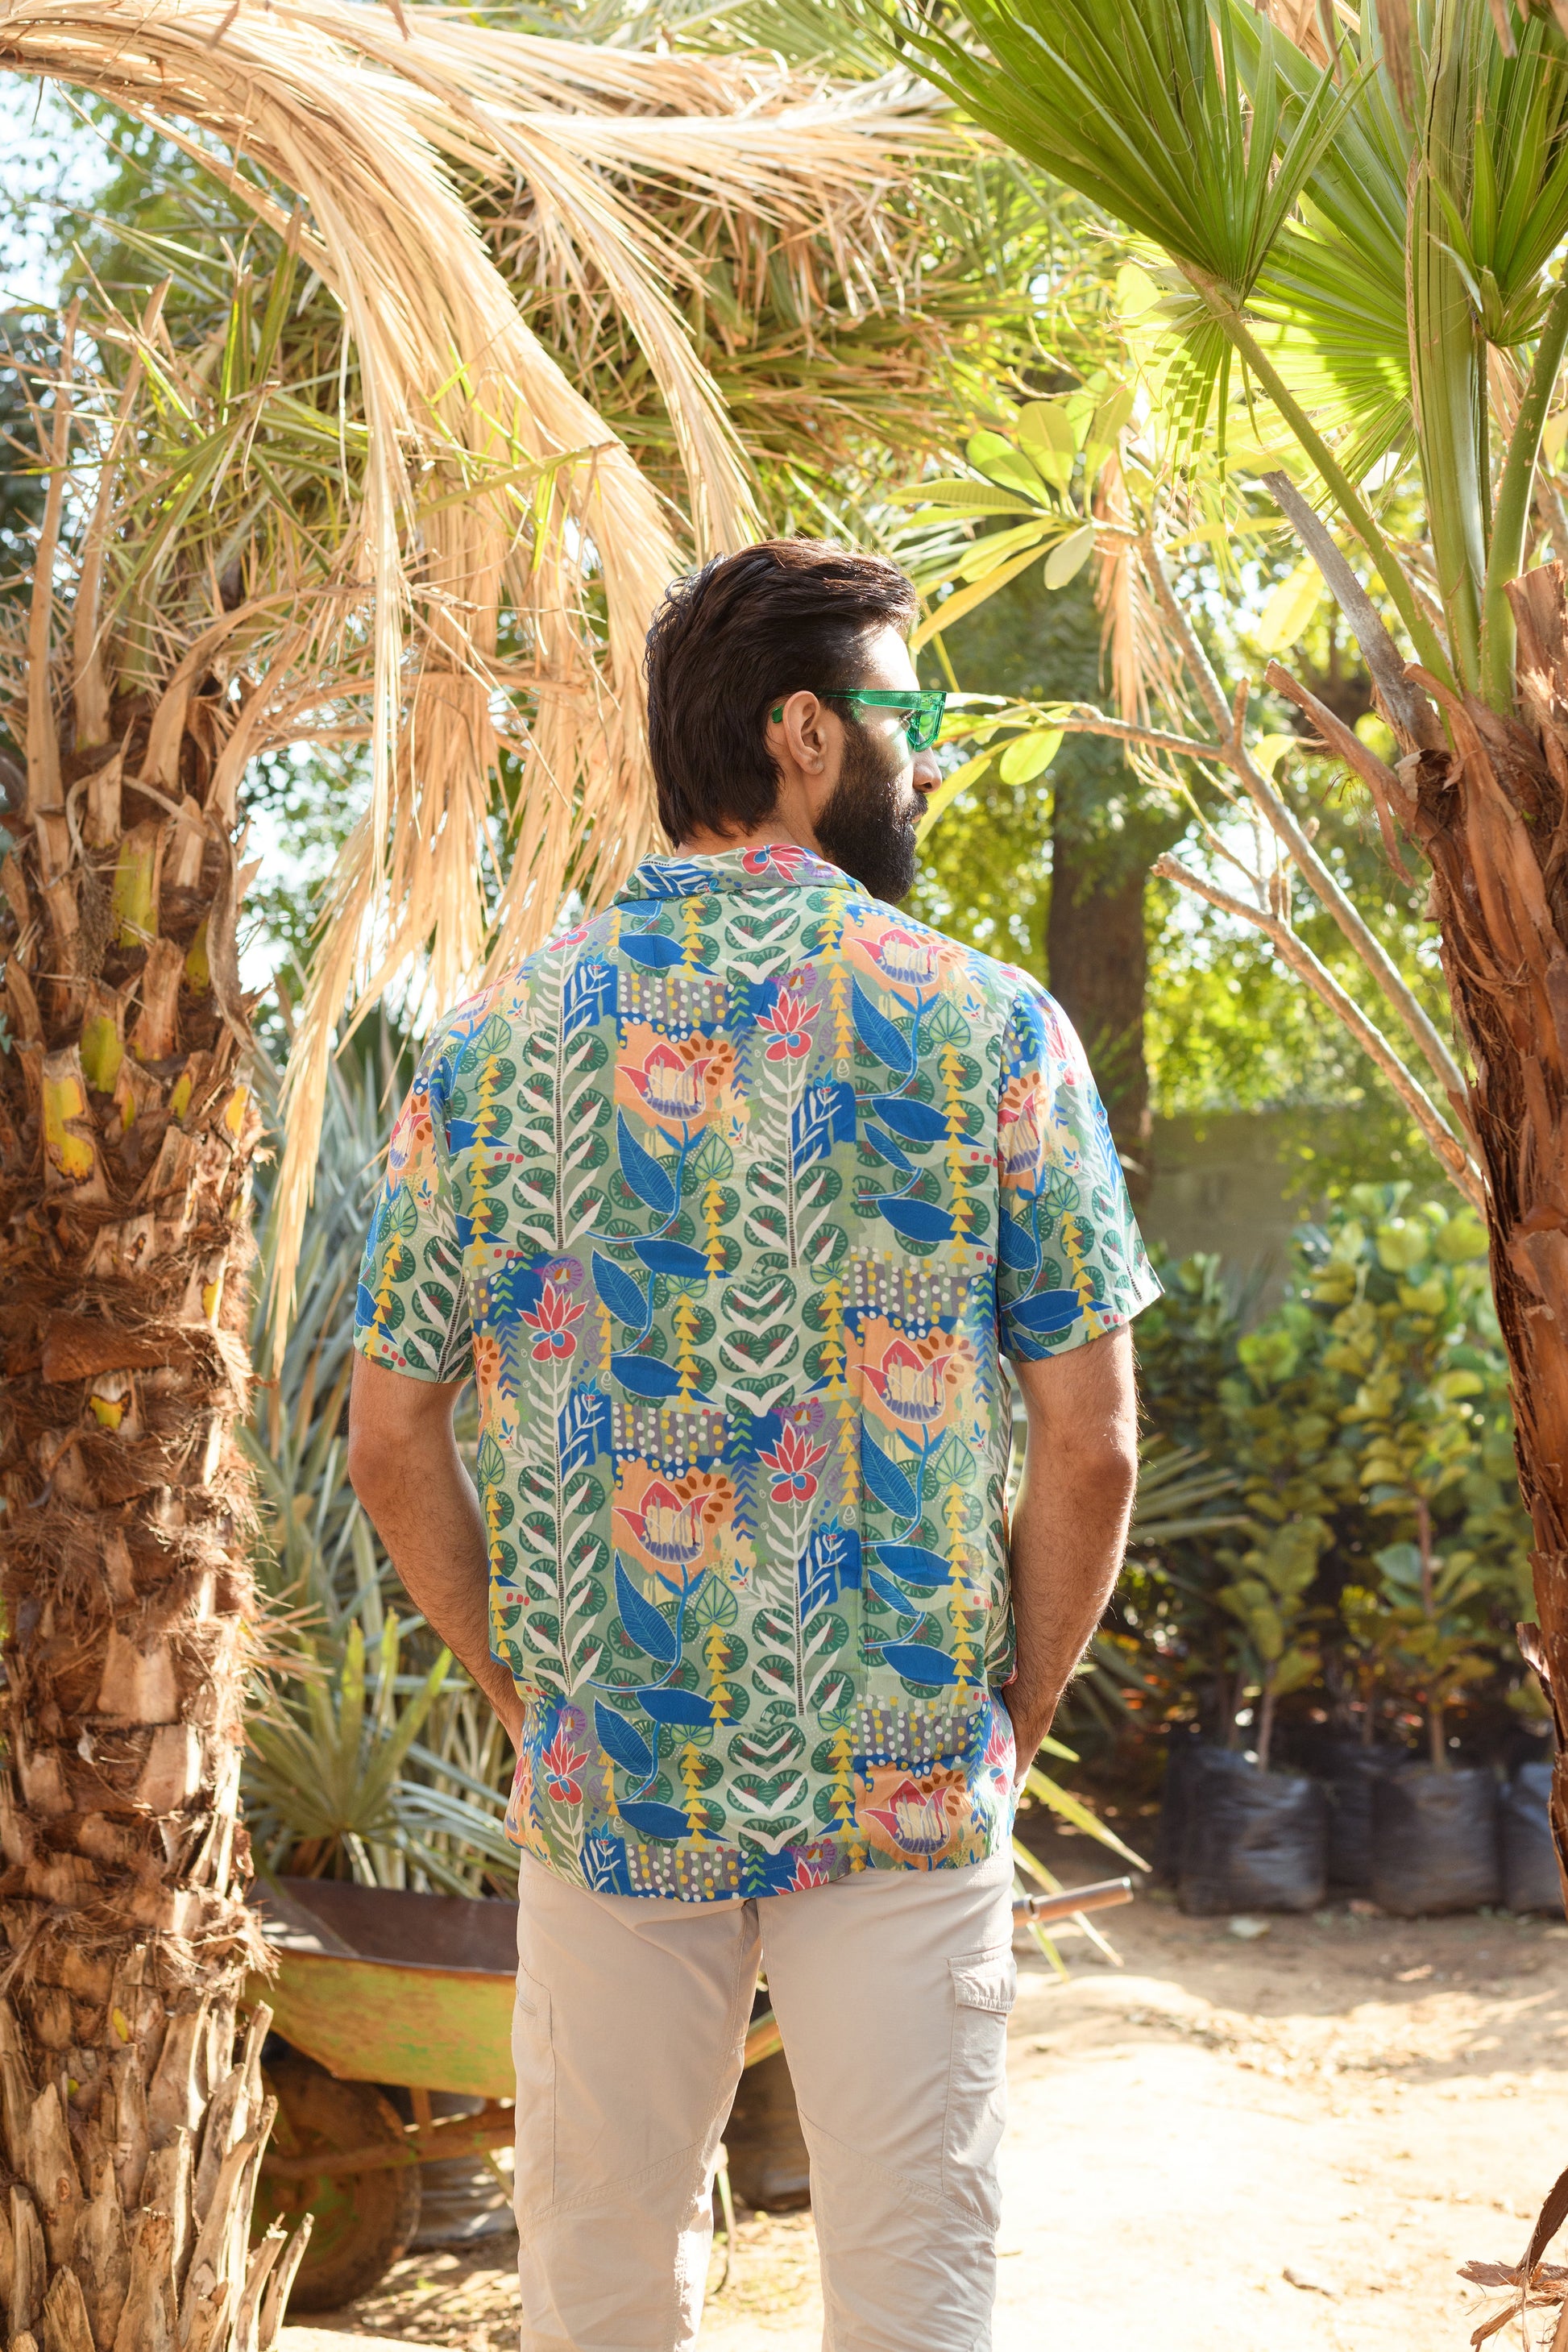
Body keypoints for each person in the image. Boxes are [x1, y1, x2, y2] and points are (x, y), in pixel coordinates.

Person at [348, 537, 1159, 2352]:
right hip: (901, 1780)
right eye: (908, 711)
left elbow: (388, 1439)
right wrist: (1010, 1718)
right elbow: (1090, 1443)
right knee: (910, 2288)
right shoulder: (988, 1026)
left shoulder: (490, 1047)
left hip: (611, 1778)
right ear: (805, 732)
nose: (926, 757)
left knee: (599, 2285)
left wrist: (531, 1698)